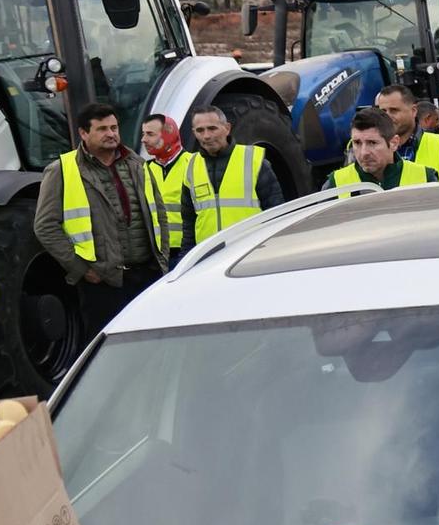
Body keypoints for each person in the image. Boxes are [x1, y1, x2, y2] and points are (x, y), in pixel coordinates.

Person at [34, 102, 169, 344]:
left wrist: (162, 257)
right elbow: (45, 226)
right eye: (102, 129)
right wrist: (82, 270)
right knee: (108, 350)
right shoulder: (62, 170)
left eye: (114, 127)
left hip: (147, 274)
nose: (111, 134)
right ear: (84, 134)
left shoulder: (136, 164)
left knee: (152, 345)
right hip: (103, 283)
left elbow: (158, 213)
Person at [173, 106, 284, 258]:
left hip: (250, 252)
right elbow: (188, 222)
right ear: (194, 133)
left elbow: (275, 212)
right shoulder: (191, 166)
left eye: (212, 128)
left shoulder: (252, 159)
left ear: (227, 128)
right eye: (200, 130)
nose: (206, 136)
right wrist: (185, 257)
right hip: (207, 257)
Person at [376, 84, 439, 182]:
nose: (387, 116)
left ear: (413, 111)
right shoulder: (369, 149)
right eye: (383, 111)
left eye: (394, 110)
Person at [326, 107, 431, 190]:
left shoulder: (425, 177)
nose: (364, 153)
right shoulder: (336, 183)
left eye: (372, 143)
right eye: (357, 143)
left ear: (394, 143)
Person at [139, 113, 197, 258]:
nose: (143, 140)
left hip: (188, 251)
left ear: (168, 135)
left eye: (150, 134)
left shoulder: (194, 164)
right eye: (143, 134)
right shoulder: (143, 169)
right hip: (155, 254)